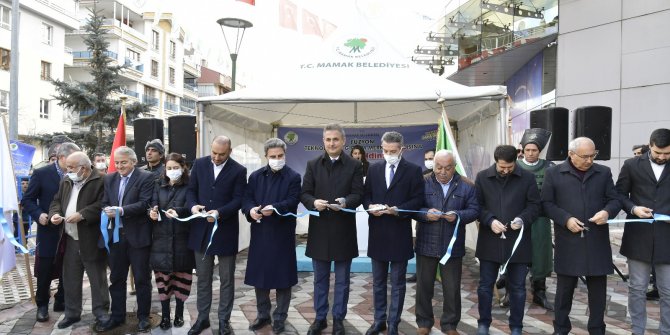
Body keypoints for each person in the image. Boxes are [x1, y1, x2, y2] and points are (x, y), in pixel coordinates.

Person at [541, 137, 622, 335]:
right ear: (571, 154)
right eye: (584, 156)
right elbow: (546, 204)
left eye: (592, 155)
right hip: (568, 240)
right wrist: (566, 219)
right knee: (564, 291)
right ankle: (560, 328)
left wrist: (607, 212)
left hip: (596, 240)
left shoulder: (603, 172)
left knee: (598, 292)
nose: (589, 160)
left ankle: (597, 329)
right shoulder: (554, 173)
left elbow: (614, 200)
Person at [300, 123, 364, 335]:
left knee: (343, 280)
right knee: (320, 279)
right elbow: (305, 193)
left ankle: (338, 319)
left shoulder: (354, 165)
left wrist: (346, 202)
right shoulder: (313, 164)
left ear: (343, 141)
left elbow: (358, 195)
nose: (331, 143)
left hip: (344, 229)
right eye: (328, 139)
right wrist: (313, 202)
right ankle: (320, 318)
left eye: (335, 139)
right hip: (319, 229)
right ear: (323, 141)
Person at [474, 145, 540, 335]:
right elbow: (477, 206)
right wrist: (489, 220)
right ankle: (483, 323)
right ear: (496, 161)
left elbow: (535, 206)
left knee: (518, 287)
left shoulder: (527, 178)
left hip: (517, 241)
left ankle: (516, 327)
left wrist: (522, 219)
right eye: (501, 167)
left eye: (509, 167)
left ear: (515, 161)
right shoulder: (483, 177)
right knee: (485, 286)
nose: (505, 171)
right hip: (489, 240)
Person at [363, 131, 424, 335]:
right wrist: (370, 206)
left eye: (393, 151)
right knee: (378, 282)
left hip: (399, 233)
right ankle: (379, 320)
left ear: (401, 150)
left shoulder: (413, 170)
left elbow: (418, 200)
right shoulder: (374, 169)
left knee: (397, 283)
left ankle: (394, 323)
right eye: (385, 150)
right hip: (378, 233)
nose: (389, 154)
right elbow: (366, 195)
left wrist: (399, 210)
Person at [414, 150, 479, 335]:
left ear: (454, 167)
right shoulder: (422, 182)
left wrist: (458, 215)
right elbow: (412, 208)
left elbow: (474, 210)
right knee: (424, 287)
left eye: (447, 168)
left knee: (451, 288)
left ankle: (450, 325)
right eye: (438, 167)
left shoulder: (467, 186)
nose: (442, 172)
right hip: (426, 243)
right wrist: (425, 214)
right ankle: (424, 323)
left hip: (452, 246)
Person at [186, 136, 247, 335]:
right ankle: (202, 318)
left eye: (221, 154)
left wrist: (219, 212)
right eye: (214, 153)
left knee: (227, 280)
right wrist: (192, 205)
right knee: (203, 278)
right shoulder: (200, 164)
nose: (217, 157)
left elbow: (239, 199)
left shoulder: (239, 170)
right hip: (200, 231)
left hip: (225, 231)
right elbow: (191, 190)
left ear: (229, 151)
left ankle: (223, 321)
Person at [242, 138, 301, 334]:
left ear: (285, 155)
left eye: (280, 156)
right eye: (273, 156)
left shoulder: (293, 176)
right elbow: (247, 198)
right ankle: (263, 314)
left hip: (282, 233)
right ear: (265, 156)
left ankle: (280, 317)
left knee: (283, 277)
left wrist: (274, 208)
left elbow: (293, 200)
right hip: (260, 232)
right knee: (261, 276)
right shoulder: (256, 176)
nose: (277, 159)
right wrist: (251, 210)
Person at [95, 146, 155, 333]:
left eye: (124, 162)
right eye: (117, 162)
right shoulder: (110, 178)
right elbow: (105, 201)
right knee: (116, 279)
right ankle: (117, 316)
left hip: (137, 237)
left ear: (133, 161)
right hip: (115, 237)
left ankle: (144, 317)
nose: (120, 166)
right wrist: (106, 210)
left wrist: (121, 211)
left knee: (142, 279)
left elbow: (145, 203)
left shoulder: (146, 177)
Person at [617, 128, 670, 335]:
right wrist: (633, 208)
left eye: (667, 153)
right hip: (638, 235)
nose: (662, 157)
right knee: (637, 289)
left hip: (667, 237)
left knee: (667, 291)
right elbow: (619, 195)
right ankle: (637, 330)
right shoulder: (631, 165)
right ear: (650, 146)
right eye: (658, 153)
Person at [48, 152, 109, 329]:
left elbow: (104, 204)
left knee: (97, 278)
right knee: (71, 278)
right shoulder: (66, 181)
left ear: (83, 168)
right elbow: (56, 201)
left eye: (71, 167)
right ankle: (72, 313)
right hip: (70, 238)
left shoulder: (102, 180)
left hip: (91, 237)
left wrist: (83, 214)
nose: (67, 171)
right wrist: (55, 215)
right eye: (67, 167)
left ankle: (101, 312)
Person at [22, 142, 80, 322]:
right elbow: (28, 200)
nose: (76, 163)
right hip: (48, 230)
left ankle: (61, 300)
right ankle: (42, 305)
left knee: (68, 267)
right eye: (72, 159)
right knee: (45, 269)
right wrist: (39, 215)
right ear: (62, 157)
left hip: (71, 229)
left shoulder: (77, 174)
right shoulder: (41, 174)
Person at [148, 153, 195, 330]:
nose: (172, 171)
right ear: (164, 169)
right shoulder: (158, 185)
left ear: (183, 167)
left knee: (182, 280)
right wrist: (151, 213)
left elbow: (192, 207)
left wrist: (180, 211)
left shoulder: (190, 185)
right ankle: (166, 316)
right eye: (169, 168)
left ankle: (179, 314)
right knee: (163, 281)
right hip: (160, 240)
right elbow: (152, 205)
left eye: (176, 167)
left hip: (183, 240)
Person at [517, 128, 555, 310]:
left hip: (541, 219)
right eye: (528, 150)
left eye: (534, 150)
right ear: (523, 150)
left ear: (540, 151)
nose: (531, 153)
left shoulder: (550, 167)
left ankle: (539, 292)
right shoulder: (514, 167)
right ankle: (512, 291)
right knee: (516, 253)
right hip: (519, 218)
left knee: (540, 254)